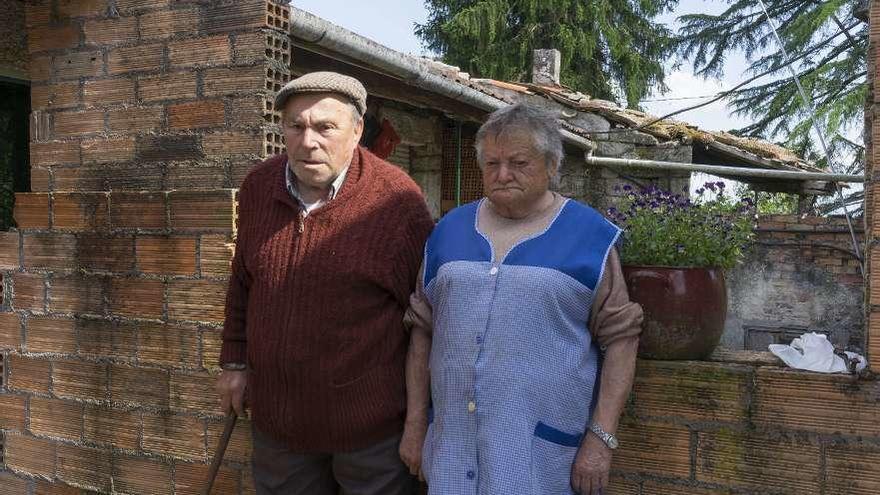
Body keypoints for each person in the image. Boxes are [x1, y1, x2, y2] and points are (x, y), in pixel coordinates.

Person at [398, 104, 643, 495]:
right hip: (451, 446)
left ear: (551, 165)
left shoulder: (589, 237)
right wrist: (414, 424)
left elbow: (622, 339)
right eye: (491, 163)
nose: (503, 174)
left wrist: (601, 439)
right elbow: (422, 332)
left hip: (537, 455)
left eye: (518, 162)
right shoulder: (447, 231)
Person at [216, 71, 434, 495]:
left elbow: (426, 316)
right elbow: (243, 282)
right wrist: (234, 362)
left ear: (356, 132)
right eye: (295, 127)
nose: (307, 141)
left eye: (324, 127)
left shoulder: (396, 201)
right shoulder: (259, 187)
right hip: (280, 429)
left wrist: (418, 419)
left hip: (371, 436)